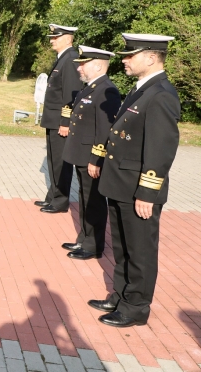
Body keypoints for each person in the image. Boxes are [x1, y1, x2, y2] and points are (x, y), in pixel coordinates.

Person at [88, 34, 180, 328]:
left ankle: (136, 306)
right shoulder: (142, 90)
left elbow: (160, 149)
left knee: (140, 249)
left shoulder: (162, 94)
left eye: (130, 55)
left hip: (137, 189)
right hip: (120, 183)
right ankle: (121, 295)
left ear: (151, 58)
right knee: (123, 245)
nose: (124, 60)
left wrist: (147, 193)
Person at [60, 46, 120, 260]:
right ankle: (84, 238)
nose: (79, 68)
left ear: (97, 65)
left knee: (93, 201)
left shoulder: (107, 91)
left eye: (83, 64)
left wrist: (97, 159)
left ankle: (94, 245)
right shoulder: (91, 88)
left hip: (91, 156)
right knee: (85, 198)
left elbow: (105, 130)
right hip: (81, 154)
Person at [36, 24, 85, 214]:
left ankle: (61, 200)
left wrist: (66, 122)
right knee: (53, 160)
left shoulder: (71, 58)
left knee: (60, 162)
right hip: (53, 119)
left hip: (60, 121)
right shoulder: (63, 59)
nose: (51, 40)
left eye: (55, 37)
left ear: (67, 38)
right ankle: (53, 195)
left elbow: (71, 94)